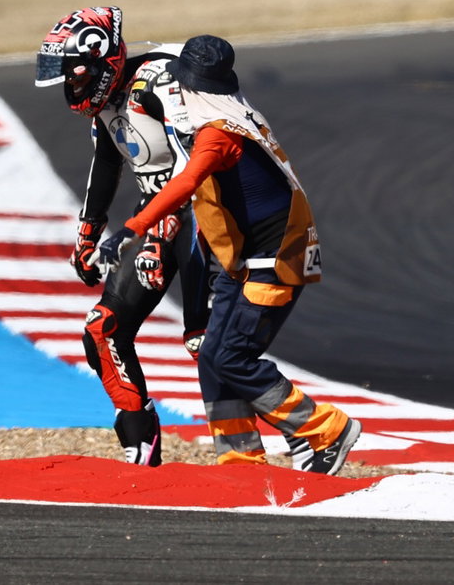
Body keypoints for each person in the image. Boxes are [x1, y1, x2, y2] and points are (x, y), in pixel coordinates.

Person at [123, 34, 362, 475]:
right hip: (244, 259)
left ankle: (324, 429)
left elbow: (185, 182)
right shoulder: (229, 109)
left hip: (274, 259)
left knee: (232, 354)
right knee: (213, 353)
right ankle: (239, 456)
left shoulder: (217, 131)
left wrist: (134, 225)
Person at [33, 6, 209, 467]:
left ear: (103, 63)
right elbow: (107, 166)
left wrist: (168, 223)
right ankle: (141, 446)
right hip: (153, 218)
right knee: (102, 330)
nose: (71, 89)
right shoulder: (104, 106)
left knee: (205, 342)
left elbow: (200, 165)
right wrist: (87, 234)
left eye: (75, 77)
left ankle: (300, 433)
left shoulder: (158, 82)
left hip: (207, 216)